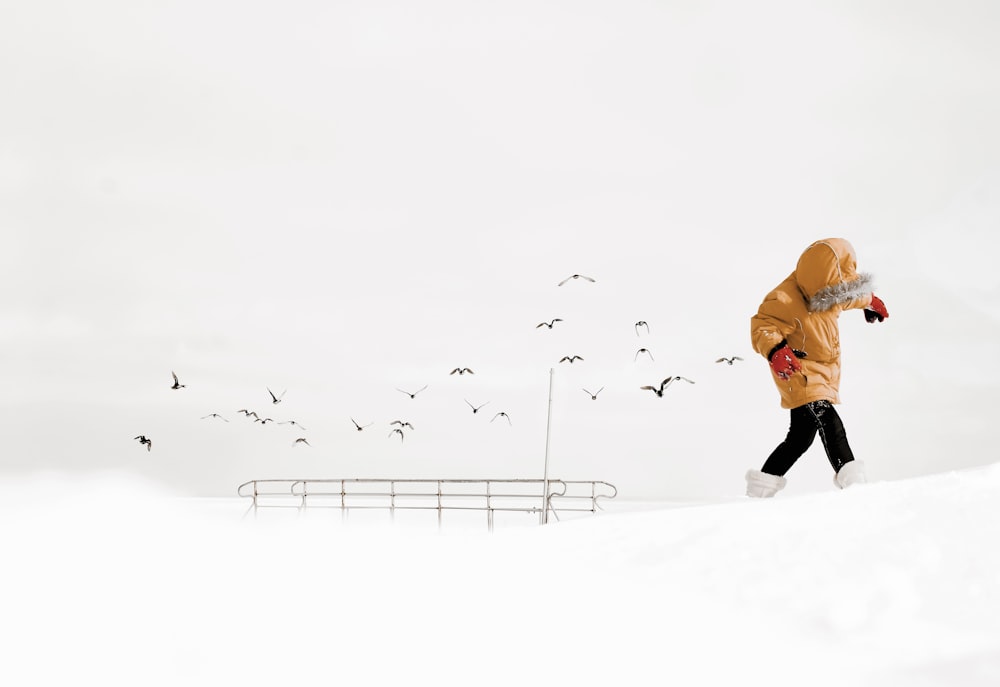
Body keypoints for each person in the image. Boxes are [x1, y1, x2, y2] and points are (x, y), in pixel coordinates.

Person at [746, 238, 889, 497]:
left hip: (824, 370)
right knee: (827, 418)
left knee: (800, 438)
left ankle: (760, 490)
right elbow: (762, 325)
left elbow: (848, 297)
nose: (834, 298)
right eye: (830, 291)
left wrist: (870, 301)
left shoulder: (832, 293)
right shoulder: (785, 298)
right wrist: (776, 350)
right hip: (796, 368)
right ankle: (854, 484)